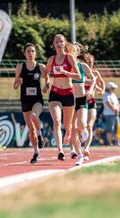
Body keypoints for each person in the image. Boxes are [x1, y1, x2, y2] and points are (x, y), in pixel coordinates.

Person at [41, 33, 81, 161]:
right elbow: (46, 73)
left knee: (67, 125)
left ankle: (68, 133)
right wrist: (47, 84)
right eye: (57, 41)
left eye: (61, 41)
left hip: (69, 93)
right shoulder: (51, 60)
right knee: (57, 121)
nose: (59, 43)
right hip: (55, 93)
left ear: (64, 44)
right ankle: (60, 150)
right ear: (54, 44)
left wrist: (65, 72)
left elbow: (79, 76)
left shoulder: (69, 58)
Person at [13, 43, 46, 164]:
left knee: (34, 116)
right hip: (25, 100)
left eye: (33, 51)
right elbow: (14, 86)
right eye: (28, 51)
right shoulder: (20, 67)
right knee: (30, 129)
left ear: (35, 53)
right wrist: (18, 82)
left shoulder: (40, 67)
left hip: (37, 99)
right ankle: (36, 152)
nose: (31, 53)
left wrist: (46, 86)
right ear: (24, 54)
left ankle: (40, 134)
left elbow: (47, 79)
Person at [70, 42, 96, 165]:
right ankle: (79, 155)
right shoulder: (65, 66)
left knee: (82, 124)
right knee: (73, 128)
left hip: (81, 99)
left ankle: (84, 130)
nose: (72, 53)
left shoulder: (82, 65)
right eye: (69, 51)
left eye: (74, 51)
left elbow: (93, 78)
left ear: (78, 53)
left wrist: (90, 90)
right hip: (69, 101)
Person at [82, 53, 105, 161]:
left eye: (91, 62)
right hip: (81, 102)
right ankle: (76, 148)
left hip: (91, 102)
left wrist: (102, 90)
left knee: (90, 125)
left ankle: (86, 149)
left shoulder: (95, 73)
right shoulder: (81, 73)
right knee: (81, 126)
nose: (89, 64)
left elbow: (102, 83)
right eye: (87, 62)